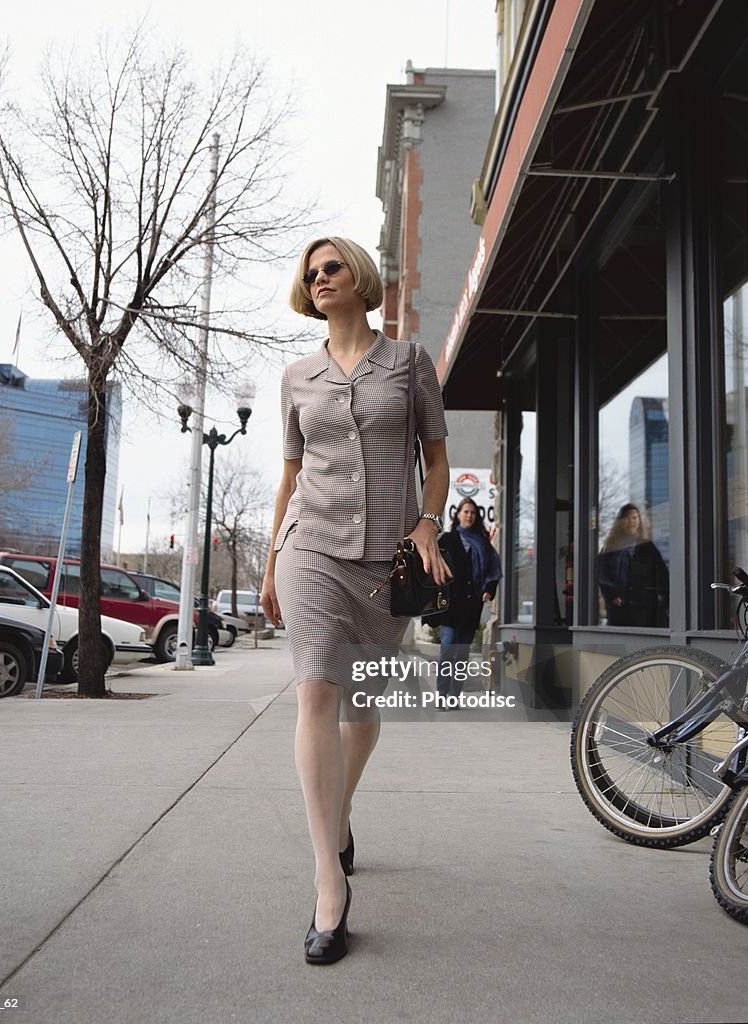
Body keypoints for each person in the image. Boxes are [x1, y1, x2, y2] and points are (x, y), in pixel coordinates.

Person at [260, 237, 451, 964]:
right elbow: (289, 476)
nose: (319, 279)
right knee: (315, 693)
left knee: (360, 708)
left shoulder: (407, 363)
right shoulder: (296, 376)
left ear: (358, 277)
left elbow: (434, 459)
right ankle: (326, 881)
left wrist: (427, 521)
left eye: (330, 267)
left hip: (385, 559)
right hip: (309, 546)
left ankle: (336, 817)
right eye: (310, 275)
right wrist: (274, 560)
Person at [435, 498, 502, 709]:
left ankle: (453, 698)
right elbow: (433, 564)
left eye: (473, 512)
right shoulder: (447, 539)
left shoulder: (482, 542)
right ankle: (441, 695)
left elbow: (494, 569)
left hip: (472, 604)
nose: (469, 515)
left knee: (462, 653)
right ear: (458, 514)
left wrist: (489, 590)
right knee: (448, 648)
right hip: (450, 603)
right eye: (466, 511)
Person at [598, 503, 669, 627]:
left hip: (644, 610)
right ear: (620, 521)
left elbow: (661, 575)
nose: (632, 521)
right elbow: (602, 574)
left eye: (635, 518)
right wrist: (612, 596)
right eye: (628, 518)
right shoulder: (612, 547)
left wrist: (666, 602)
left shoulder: (647, 547)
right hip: (619, 609)